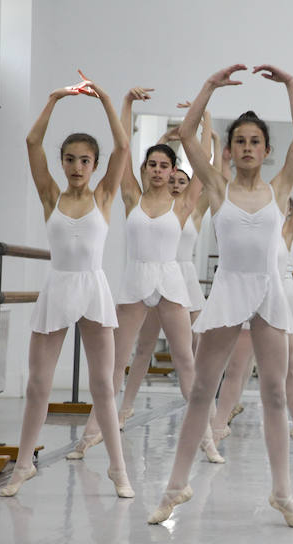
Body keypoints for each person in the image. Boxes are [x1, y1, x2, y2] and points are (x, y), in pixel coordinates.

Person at [147, 64, 293, 528]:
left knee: (275, 393)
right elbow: (188, 137)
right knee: (202, 390)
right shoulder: (218, 188)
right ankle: (175, 486)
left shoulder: (280, 189)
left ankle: (283, 492)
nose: (247, 148)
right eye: (240, 141)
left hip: (269, 291)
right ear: (232, 149)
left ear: (266, 149)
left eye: (255, 141)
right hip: (229, 288)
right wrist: (209, 86)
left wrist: (292, 85)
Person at [1, 74, 133, 498]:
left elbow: (124, 148)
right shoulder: (50, 196)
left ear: (94, 165)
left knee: (102, 385)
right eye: (71, 159)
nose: (77, 167)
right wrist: (55, 99)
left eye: (85, 160)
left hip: (93, 288)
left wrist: (107, 99)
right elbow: (31, 144)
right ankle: (23, 465)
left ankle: (118, 468)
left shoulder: (105, 196)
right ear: (63, 163)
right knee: (38, 383)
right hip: (58, 287)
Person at [115, 98, 213, 430]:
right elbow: (122, 148)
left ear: (172, 171)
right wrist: (125, 103)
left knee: (185, 356)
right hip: (137, 281)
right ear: (144, 169)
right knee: (128, 355)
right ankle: (111, 417)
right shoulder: (131, 196)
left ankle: (204, 428)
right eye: (151, 164)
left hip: (173, 281)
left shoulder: (184, 203)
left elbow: (205, 162)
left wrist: (205, 118)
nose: (157, 170)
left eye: (163, 165)